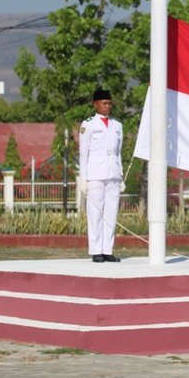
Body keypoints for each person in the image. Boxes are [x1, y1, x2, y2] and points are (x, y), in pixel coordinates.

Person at [77, 89, 125, 263]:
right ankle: (96, 250)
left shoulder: (117, 125)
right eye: (104, 103)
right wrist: (83, 178)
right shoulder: (88, 124)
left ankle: (107, 250)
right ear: (95, 104)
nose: (108, 106)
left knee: (111, 213)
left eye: (109, 103)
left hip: (112, 172)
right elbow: (83, 152)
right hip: (95, 173)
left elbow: (118, 152)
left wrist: (120, 176)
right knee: (95, 214)